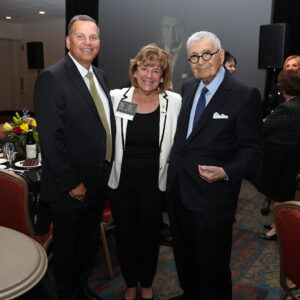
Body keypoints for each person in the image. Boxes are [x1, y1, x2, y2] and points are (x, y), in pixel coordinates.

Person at [166, 31, 263, 300]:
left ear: (220, 55)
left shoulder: (244, 95)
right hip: (179, 191)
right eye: (194, 56)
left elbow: (252, 150)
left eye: (207, 54)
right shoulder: (187, 87)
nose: (200, 61)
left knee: (213, 265)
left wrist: (226, 171)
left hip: (212, 197)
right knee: (184, 257)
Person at [34, 15, 115, 300]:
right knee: (67, 252)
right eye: (80, 36)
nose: (87, 43)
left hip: (97, 181)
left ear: (99, 43)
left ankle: (81, 288)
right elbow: (51, 140)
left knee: (87, 245)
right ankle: (68, 294)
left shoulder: (101, 76)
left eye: (93, 37)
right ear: (68, 42)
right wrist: (72, 183)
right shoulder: (52, 77)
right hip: (70, 187)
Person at [108, 44, 181, 300]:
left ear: (163, 76)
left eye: (156, 70)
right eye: (144, 68)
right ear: (135, 70)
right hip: (122, 183)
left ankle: (147, 282)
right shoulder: (119, 99)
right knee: (126, 236)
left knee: (150, 236)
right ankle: (130, 282)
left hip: (154, 183)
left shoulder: (172, 103)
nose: (149, 75)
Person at [258, 70, 300, 241]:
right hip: (290, 154)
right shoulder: (296, 103)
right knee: (284, 191)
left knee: (279, 193)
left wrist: (264, 121)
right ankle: (278, 224)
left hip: (281, 155)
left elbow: (266, 126)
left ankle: (277, 229)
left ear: (284, 87)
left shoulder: (287, 107)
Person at [159, 14, 192, 92]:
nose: (171, 32)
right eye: (167, 27)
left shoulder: (192, 58)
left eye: (176, 27)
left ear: (183, 30)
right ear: (162, 29)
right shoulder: (150, 54)